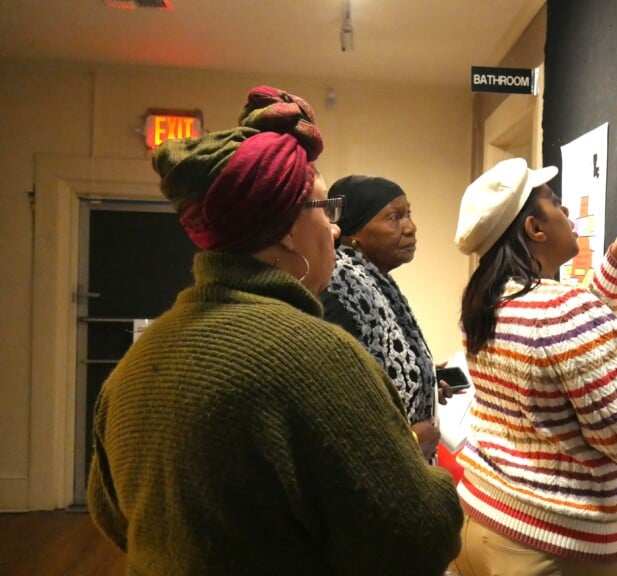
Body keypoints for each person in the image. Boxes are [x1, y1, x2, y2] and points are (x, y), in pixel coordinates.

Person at [87, 85, 462, 576]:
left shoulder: (137, 361)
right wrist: (424, 468)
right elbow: (419, 537)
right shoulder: (319, 356)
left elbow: (111, 514)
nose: (333, 229)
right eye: (325, 209)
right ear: (286, 226)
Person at [449, 158, 617, 576]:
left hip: (480, 521)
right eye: (555, 203)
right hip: (550, 550)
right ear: (535, 229)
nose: (567, 212)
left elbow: (572, 348)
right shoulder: (560, 312)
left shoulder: (486, 304)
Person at [320, 175, 453, 461]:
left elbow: (382, 362)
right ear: (354, 231)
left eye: (409, 214)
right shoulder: (341, 288)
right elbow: (340, 404)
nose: (411, 228)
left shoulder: (371, 278)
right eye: (395, 217)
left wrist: (424, 377)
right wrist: (411, 441)